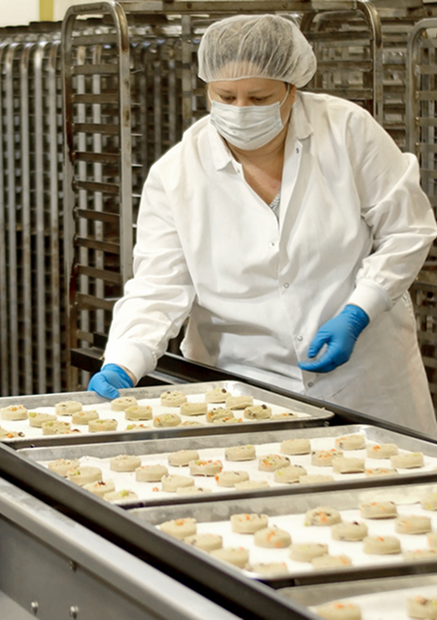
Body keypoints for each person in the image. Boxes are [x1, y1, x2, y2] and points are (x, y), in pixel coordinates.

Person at [88, 14, 437, 437]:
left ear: (292, 88)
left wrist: (359, 310)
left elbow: (407, 230)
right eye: (225, 96)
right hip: (243, 388)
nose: (240, 111)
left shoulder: (347, 131)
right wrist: (125, 360)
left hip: (365, 380)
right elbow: (159, 286)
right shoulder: (176, 174)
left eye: (258, 97)